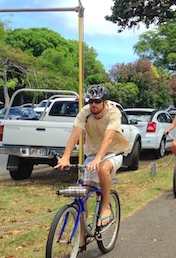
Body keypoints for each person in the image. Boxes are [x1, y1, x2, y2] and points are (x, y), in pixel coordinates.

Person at [54, 84, 130, 228]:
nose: (93, 105)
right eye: (91, 101)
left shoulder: (113, 113)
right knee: (80, 196)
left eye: (97, 101)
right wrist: (66, 157)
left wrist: (98, 159)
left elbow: (108, 138)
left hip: (114, 151)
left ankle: (105, 206)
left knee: (102, 169)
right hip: (93, 153)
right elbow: (74, 134)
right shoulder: (85, 112)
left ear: (105, 102)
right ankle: (81, 238)